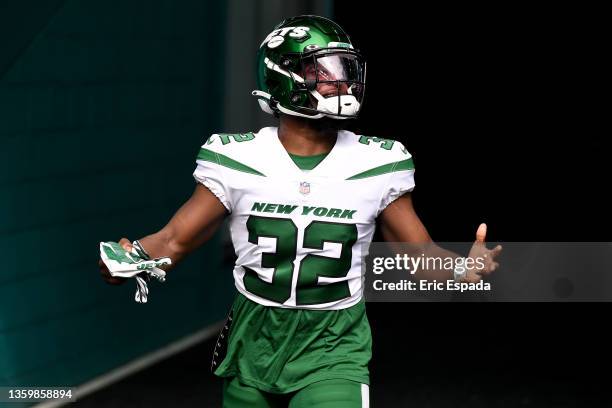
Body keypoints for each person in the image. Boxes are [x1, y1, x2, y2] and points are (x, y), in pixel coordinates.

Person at [99, 15, 501, 407]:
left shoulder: (380, 163)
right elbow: (174, 240)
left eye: (345, 69)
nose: (341, 80)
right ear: (284, 76)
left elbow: (418, 255)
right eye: (323, 70)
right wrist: (133, 258)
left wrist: (461, 271)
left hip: (334, 345)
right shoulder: (236, 157)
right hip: (252, 343)